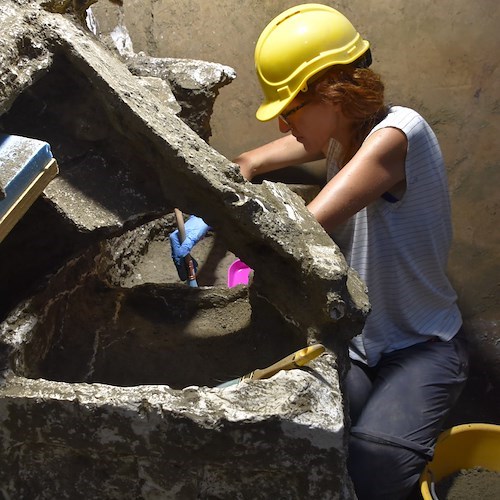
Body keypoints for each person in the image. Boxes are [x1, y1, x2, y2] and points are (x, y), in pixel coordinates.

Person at [170, 4, 469, 498]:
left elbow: (305, 228)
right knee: (305, 427)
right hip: (357, 339)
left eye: (290, 108)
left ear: (331, 92)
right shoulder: (340, 136)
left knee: (373, 463)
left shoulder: (398, 134)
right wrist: (220, 190)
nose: (285, 124)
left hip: (422, 345)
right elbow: (251, 160)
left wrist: (227, 220)